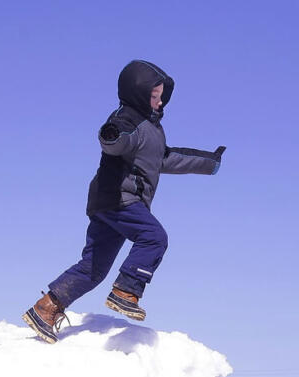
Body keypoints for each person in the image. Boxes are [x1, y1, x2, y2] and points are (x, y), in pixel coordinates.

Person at [23, 59, 225, 343]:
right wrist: (112, 135)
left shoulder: (153, 131)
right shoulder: (127, 119)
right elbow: (116, 138)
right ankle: (126, 290)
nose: (159, 102)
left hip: (109, 205)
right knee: (154, 237)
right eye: (153, 96)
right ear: (138, 94)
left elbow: (167, 158)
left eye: (161, 96)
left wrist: (209, 162)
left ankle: (45, 308)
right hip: (120, 199)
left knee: (93, 268)